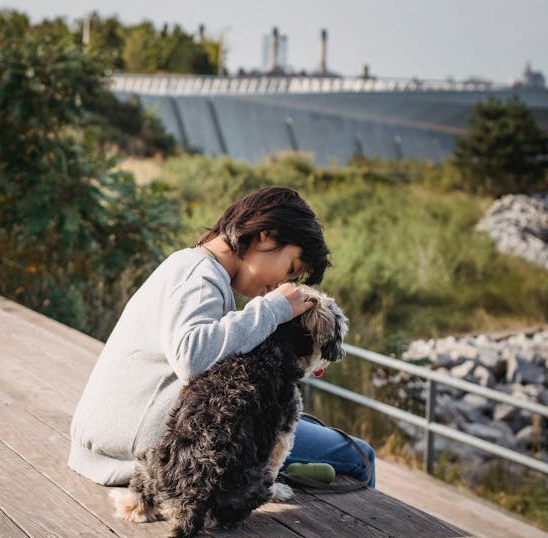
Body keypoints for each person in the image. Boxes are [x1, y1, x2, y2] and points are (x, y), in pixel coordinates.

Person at [68, 185, 375, 488]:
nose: (282, 283)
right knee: (360, 457)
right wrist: (273, 308)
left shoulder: (190, 266)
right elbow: (193, 357)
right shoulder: (200, 275)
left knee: (296, 427)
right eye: (290, 268)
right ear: (266, 234)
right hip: (145, 440)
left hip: (119, 436)